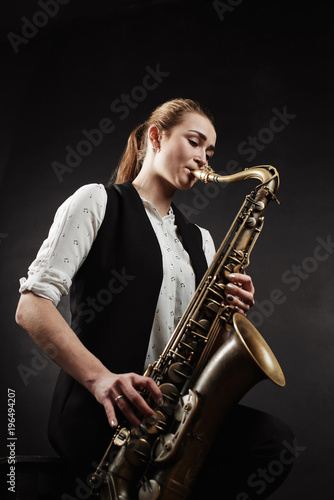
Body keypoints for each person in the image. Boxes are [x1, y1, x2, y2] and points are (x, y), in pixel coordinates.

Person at [16, 98, 293, 498]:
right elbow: (31, 307)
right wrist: (101, 380)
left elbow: (198, 346)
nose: (203, 158)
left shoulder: (202, 240)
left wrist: (227, 315)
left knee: (273, 442)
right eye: (195, 142)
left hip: (170, 413)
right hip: (103, 412)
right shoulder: (96, 202)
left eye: (210, 151)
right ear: (155, 137)